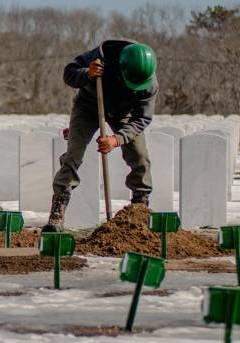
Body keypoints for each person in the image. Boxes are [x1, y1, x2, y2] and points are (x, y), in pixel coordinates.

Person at [44, 40, 157, 232]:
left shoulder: (148, 83)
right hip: (89, 105)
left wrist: (116, 139)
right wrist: (87, 74)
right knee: (74, 154)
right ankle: (57, 213)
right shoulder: (101, 56)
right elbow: (69, 74)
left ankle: (140, 208)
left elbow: (142, 118)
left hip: (124, 112)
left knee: (140, 156)